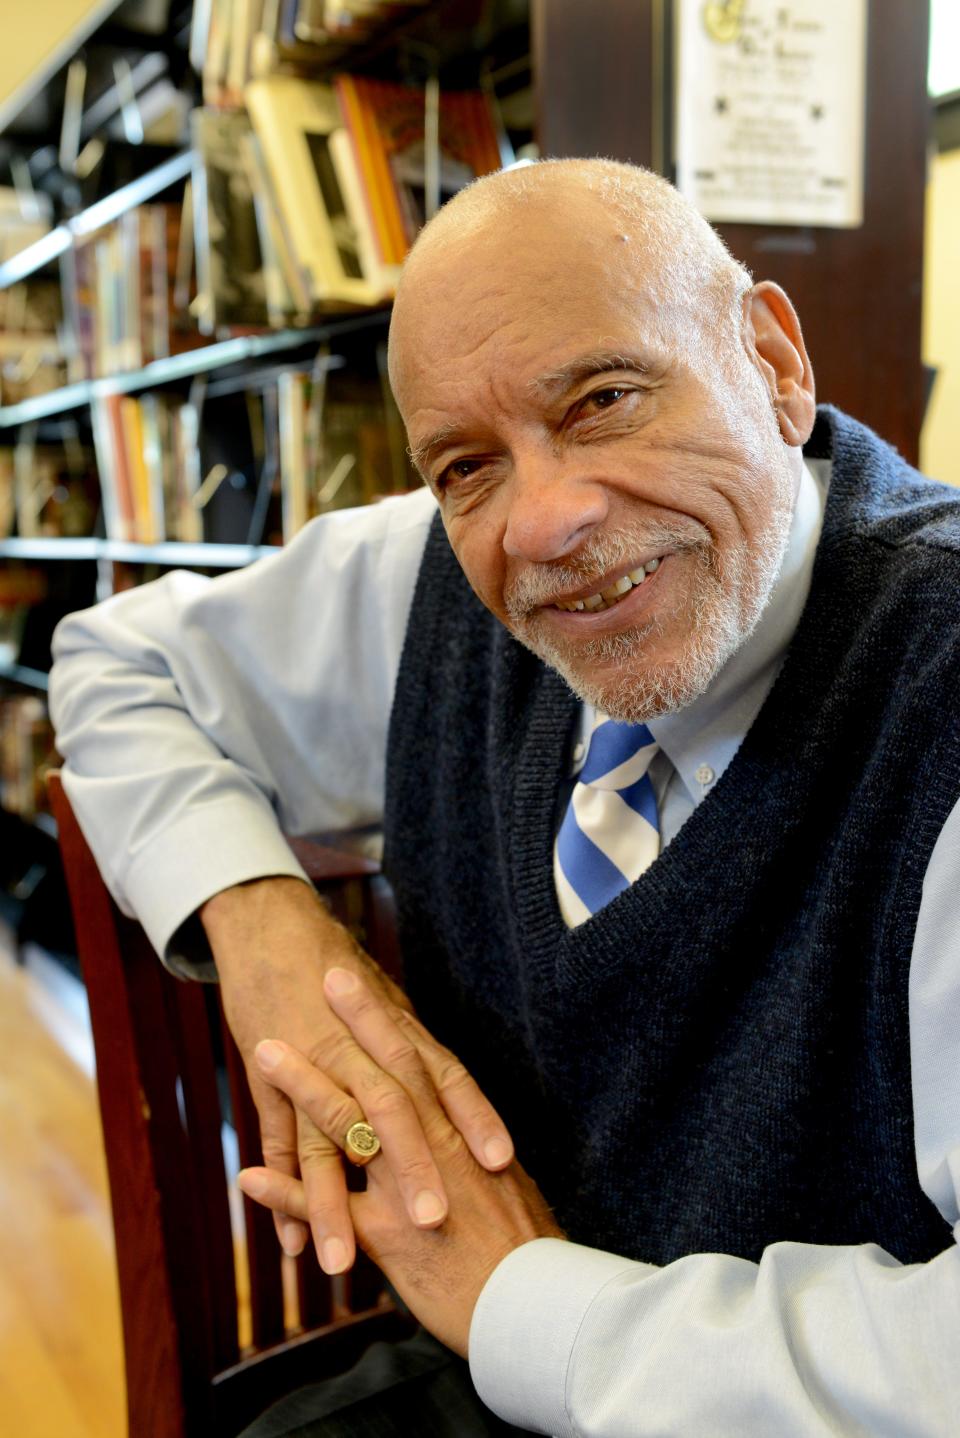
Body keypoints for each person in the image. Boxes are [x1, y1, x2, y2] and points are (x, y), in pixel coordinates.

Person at [49, 159, 960, 1436]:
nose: (543, 520)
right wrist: (262, 931)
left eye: (600, 400)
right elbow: (116, 660)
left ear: (772, 361)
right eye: (464, 465)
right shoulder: (434, 586)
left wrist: (522, 1301)